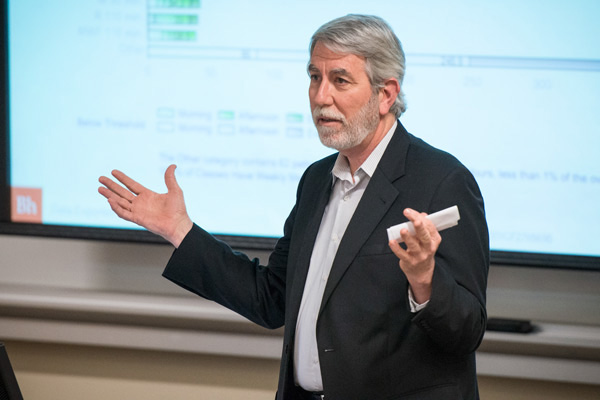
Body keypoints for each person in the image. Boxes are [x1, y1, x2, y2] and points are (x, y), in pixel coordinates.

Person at [99, 14, 489, 400]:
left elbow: (467, 331)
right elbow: (272, 298)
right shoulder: (317, 180)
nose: (321, 97)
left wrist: (424, 279)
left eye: (340, 80)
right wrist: (179, 230)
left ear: (385, 94)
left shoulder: (442, 180)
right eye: (314, 78)